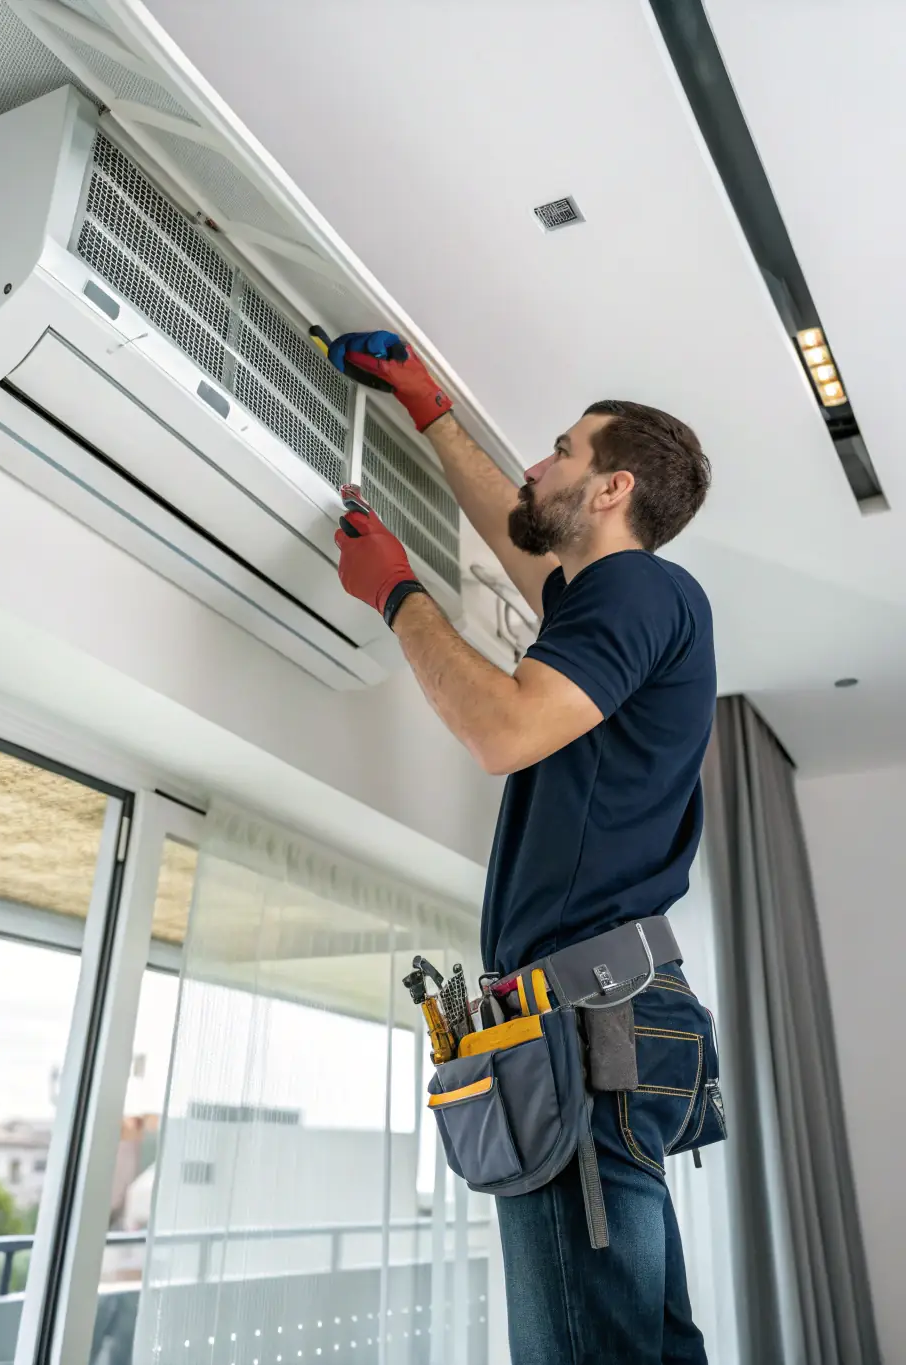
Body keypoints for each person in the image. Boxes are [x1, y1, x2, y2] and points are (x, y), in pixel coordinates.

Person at [327, 331, 718, 1365]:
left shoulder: (640, 591)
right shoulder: (621, 600)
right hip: (613, 1009)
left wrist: (399, 596)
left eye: (560, 451)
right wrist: (427, 407)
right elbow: (523, 544)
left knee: (593, 1349)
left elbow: (503, 730)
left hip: (587, 1017)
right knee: (638, 1339)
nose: (539, 464)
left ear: (611, 489)